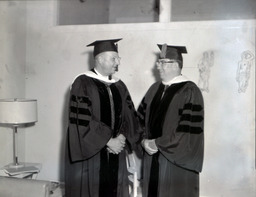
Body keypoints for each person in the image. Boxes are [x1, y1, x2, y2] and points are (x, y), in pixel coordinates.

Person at [65, 38, 141, 197]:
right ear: (99, 59)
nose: (118, 62)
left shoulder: (120, 85)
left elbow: (129, 117)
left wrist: (122, 137)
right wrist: (107, 141)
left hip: (116, 152)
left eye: (118, 58)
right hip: (92, 155)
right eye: (114, 58)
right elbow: (81, 120)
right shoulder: (82, 83)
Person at [137, 43, 204, 197]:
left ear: (175, 65)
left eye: (162, 62)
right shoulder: (154, 89)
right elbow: (138, 121)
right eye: (158, 62)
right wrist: (143, 141)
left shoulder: (190, 91)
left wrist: (157, 143)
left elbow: (188, 134)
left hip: (175, 163)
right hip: (151, 159)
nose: (157, 66)